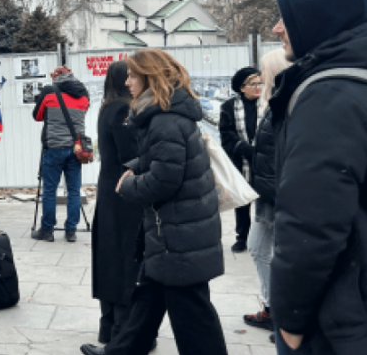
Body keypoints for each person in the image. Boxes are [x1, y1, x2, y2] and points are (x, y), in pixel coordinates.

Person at [268, 0, 367, 355]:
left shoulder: (329, 95)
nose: (278, 28)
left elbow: (311, 223)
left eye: (286, 17)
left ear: (317, 18)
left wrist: (292, 318)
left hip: (351, 312)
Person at [81, 48, 227, 355]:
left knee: (194, 318)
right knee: (148, 300)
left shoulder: (165, 120)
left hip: (178, 233)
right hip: (172, 230)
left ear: (150, 78)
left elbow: (164, 180)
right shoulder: (161, 114)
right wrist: (137, 164)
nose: (128, 81)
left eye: (134, 75)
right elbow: (164, 159)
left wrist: (130, 185)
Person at [90, 60, 142, 345]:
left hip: (109, 188)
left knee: (109, 255)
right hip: (124, 191)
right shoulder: (124, 109)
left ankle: (109, 325)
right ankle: (123, 327)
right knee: (124, 256)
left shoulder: (107, 107)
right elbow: (129, 154)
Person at [241, 49, 290, 342]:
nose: (259, 80)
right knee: (260, 249)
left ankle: (279, 313)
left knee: (261, 249)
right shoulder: (275, 104)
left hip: (274, 195)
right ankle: (275, 310)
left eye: (262, 73)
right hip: (270, 193)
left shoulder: (282, 106)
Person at [31, 65, 90, 242]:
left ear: (55, 78)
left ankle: (47, 230)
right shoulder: (83, 94)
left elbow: (38, 116)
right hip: (76, 149)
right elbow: (81, 114)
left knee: (49, 191)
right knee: (73, 190)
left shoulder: (49, 92)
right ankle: (71, 230)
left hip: (54, 147)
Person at [218, 65, 264, 253]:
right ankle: (241, 238)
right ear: (241, 87)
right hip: (241, 161)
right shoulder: (229, 107)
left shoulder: (269, 103)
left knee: (265, 201)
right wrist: (246, 149)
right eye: (253, 83)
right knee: (242, 202)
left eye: (260, 82)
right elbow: (226, 135)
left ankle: (265, 237)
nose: (258, 86)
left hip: (265, 161)